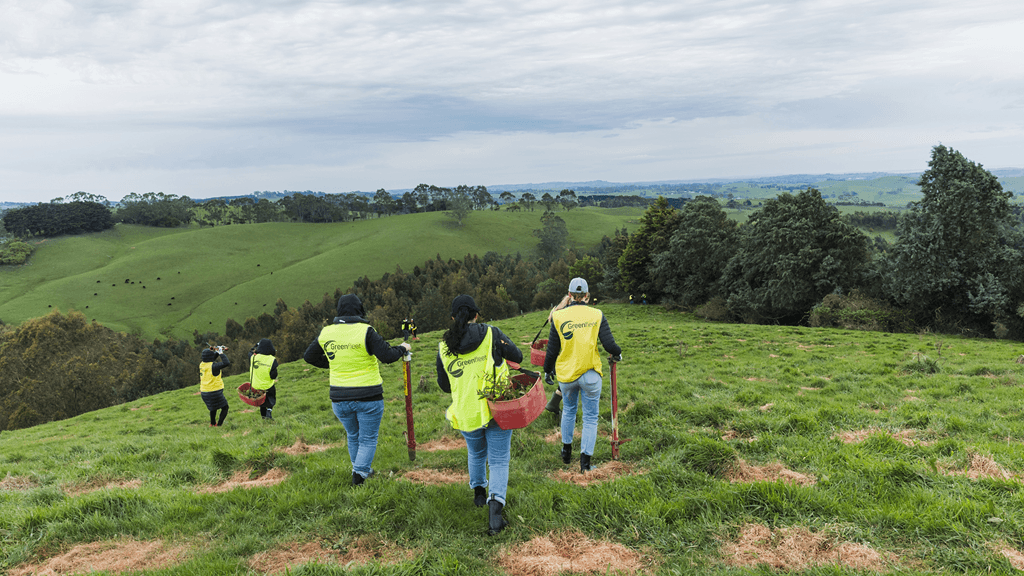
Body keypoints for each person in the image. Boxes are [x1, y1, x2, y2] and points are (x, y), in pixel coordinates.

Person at [436, 294, 523, 535]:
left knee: (476, 453)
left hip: (466, 411)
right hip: (496, 406)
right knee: (498, 460)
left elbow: (444, 384)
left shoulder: (444, 346)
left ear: (454, 318)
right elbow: (517, 356)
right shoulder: (492, 333)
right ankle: (495, 515)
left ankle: (478, 495)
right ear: (476, 314)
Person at [304, 294, 411, 486]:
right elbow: (387, 355)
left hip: (339, 397)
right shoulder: (366, 331)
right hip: (368, 395)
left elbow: (309, 357)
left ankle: (361, 470)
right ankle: (359, 476)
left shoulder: (326, 332)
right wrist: (403, 348)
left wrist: (334, 364)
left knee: (353, 436)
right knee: (368, 438)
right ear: (360, 310)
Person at [544, 278, 622, 472]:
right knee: (590, 418)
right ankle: (585, 464)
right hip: (590, 374)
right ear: (587, 296)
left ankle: (566, 452)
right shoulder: (597, 314)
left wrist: (547, 369)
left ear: (569, 295)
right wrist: (618, 353)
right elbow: (609, 345)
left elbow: (552, 349)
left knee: (569, 411)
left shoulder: (559, 316)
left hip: (566, 375)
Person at [199, 345, 231, 427]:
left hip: (204, 392)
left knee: (213, 408)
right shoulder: (214, 366)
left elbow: (211, 358)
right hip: (214, 391)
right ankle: (219, 425)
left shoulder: (202, 365)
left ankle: (212, 423)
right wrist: (221, 353)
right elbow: (226, 363)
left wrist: (217, 352)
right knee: (225, 407)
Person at [248, 338, 279, 420]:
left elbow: (250, 352)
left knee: (262, 401)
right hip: (268, 385)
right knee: (271, 399)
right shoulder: (272, 359)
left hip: (256, 386)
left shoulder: (253, 358)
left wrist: (256, 345)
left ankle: (263, 418)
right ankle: (269, 411)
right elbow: (273, 375)